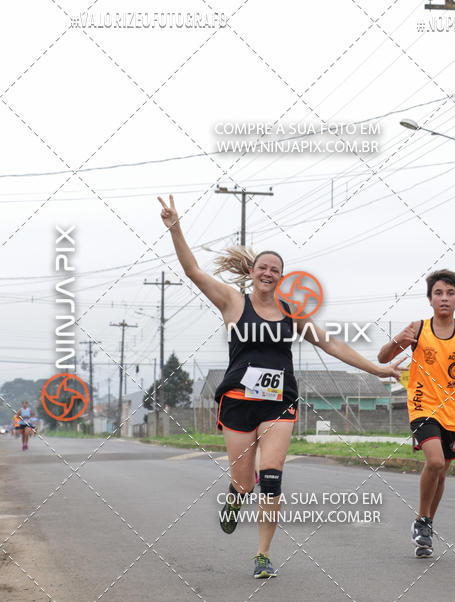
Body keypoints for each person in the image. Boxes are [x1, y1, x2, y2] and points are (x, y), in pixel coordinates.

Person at [159, 194, 403, 579]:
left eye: (275, 270)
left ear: (281, 278)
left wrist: (378, 369)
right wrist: (175, 228)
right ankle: (235, 497)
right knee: (244, 482)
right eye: (263, 267)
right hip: (238, 402)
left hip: (279, 403)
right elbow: (192, 271)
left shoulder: (292, 313)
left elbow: (331, 344)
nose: (268, 273)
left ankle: (263, 554)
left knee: (271, 479)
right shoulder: (232, 302)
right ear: (252, 272)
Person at [378, 269, 455, 558]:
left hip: (453, 411)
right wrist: (397, 340)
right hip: (422, 406)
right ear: (430, 299)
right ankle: (421, 518)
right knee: (436, 461)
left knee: (442, 472)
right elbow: (383, 357)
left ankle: (426, 523)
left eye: (450, 293)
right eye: (438, 293)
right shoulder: (418, 329)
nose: (444, 298)